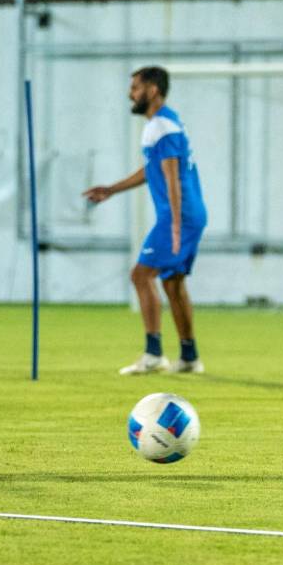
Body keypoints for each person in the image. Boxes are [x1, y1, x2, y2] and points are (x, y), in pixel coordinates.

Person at [82, 66, 207, 376]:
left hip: (179, 216)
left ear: (153, 90)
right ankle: (189, 357)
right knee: (172, 281)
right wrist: (111, 189)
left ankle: (153, 354)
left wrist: (175, 225)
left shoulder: (161, 126)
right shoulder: (165, 123)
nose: (130, 93)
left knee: (141, 275)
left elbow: (172, 177)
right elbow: (153, 169)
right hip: (189, 214)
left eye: (136, 87)